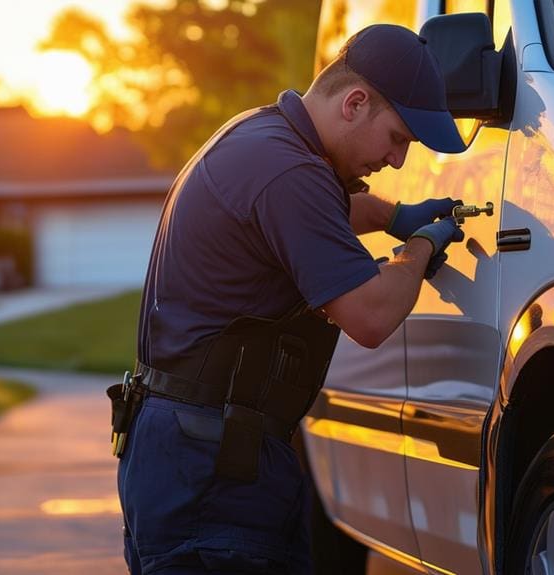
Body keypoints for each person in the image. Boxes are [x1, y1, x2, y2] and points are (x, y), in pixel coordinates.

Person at [113, 23, 467, 574]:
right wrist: (419, 248)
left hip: (197, 451)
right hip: (212, 469)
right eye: (398, 137)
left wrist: (395, 217)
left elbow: (319, 216)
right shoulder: (289, 172)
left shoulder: (263, 137)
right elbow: (370, 316)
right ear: (355, 103)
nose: (398, 160)